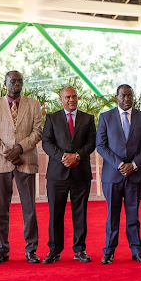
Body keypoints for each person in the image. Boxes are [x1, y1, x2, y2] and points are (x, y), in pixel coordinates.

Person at [0, 70, 43, 264]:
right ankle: (1, 250)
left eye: (20, 81)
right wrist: (8, 154)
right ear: (5, 83)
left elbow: (37, 132)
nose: (17, 84)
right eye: (13, 81)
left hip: (26, 160)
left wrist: (20, 148)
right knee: (1, 208)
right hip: (1, 162)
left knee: (29, 208)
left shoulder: (34, 105)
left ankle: (31, 250)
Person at [96, 84, 141, 264]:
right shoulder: (105, 117)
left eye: (130, 96)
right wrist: (120, 164)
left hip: (135, 175)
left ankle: (137, 251)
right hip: (112, 175)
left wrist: (134, 164)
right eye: (124, 96)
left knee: (133, 214)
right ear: (116, 97)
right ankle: (109, 251)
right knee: (112, 215)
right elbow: (101, 146)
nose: (127, 99)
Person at [41, 86, 97, 264]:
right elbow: (46, 142)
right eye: (67, 97)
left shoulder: (88, 119)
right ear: (61, 99)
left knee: (79, 213)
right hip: (57, 174)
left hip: (81, 173)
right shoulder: (52, 118)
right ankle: (54, 250)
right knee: (55, 213)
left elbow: (92, 143)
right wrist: (63, 157)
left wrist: (77, 156)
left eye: (74, 96)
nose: (71, 100)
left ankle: (80, 249)